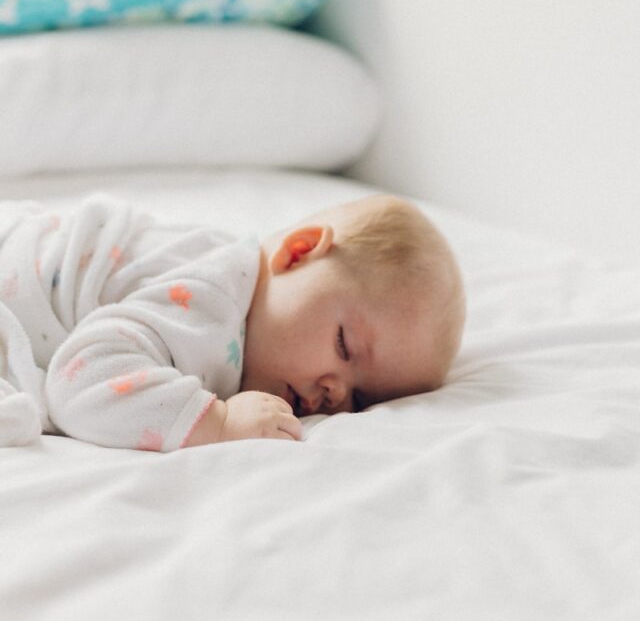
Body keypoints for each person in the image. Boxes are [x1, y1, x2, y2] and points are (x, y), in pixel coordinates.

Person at [0, 192, 465, 451]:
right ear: (298, 253)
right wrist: (216, 422)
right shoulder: (211, 304)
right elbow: (78, 383)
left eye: (361, 397)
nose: (336, 392)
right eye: (344, 346)